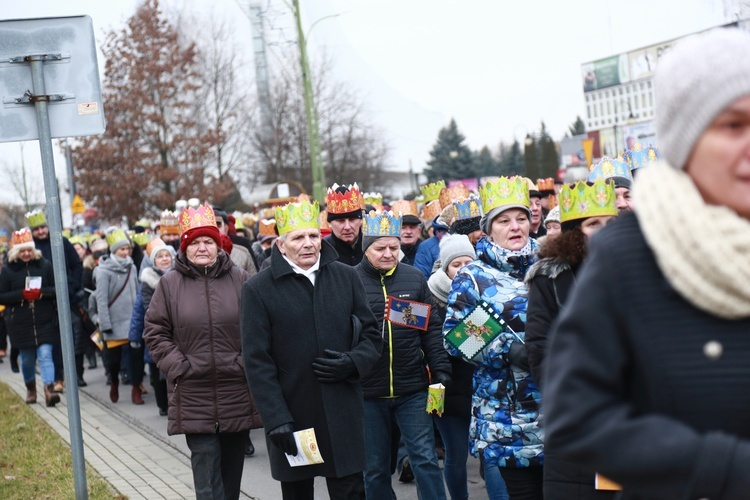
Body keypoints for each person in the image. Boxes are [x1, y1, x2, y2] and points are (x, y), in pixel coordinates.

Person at [544, 28, 750, 498]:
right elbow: (574, 417)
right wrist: (723, 468)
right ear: (686, 140)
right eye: (733, 125)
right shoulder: (629, 253)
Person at [241, 197, 382, 500]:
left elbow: (372, 336)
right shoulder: (258, 289)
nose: (308, 244)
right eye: (298, 237)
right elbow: (256, 361)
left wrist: (353, 362)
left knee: (351, 490)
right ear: (281, 245)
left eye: (313, 236)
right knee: (298, 493)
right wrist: (276, 417)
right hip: (295, 414)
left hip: (342, 408)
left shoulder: (346, 276)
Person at [145, 204, 261, 500]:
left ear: (218, 243)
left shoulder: (240, 280)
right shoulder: (169, 284)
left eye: (208, 241)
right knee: (207, 479)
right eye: (194, 242)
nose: (202, 248)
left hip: (235, 389)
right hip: (194, 393)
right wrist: (179, 366)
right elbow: (155, 331)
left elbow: (258, 327)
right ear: (184, 247)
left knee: (231, 477)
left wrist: (242, 361)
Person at [443, 176, 543, 500]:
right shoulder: (474, 277)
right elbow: (456, 337)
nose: (515, 227)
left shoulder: (550, 266)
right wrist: (507, 349)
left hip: (559, 410)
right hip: (506, 417)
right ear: (488, 228)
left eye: (521, 218)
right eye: (504, 220)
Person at [524, 180, 617, 498]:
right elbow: (540, 349)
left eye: (611, 222)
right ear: (576, 232)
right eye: (594, 224)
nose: (605, 230)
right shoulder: (551, 279)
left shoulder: (639, 270)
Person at [356, 209, 451, 500]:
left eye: (394, 247)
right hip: (368, 391)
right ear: (365, 249)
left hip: (412, 388)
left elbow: (430, 330)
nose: (388, 254)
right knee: (374, 468)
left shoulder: (414, 278)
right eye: (380, 248)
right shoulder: (349, 281)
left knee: (424, 458)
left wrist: (441, 370)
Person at [427, 234, 478, 500]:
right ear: (444, 267)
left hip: (477, 385)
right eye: (456, 264)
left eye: (468, 262)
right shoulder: (428, 294)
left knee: (486, 456)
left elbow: (481, 347)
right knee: (455, 454)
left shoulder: (484, 292)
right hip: (440, 387)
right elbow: (429, 344)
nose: (463, 269)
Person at [0, 229, 61, 407]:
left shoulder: (44, 266)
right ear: (16, 252)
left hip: (44, 320)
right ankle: (31, 388)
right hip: (20, 323)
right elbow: (2, 296)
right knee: (27, 360)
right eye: (22, 251)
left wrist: (40, 293)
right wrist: (22, 295)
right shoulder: (8, 271)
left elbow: (56, 290)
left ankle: (49, 390)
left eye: (29, 250)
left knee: (45, 355)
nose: (26, 254)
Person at [27, 209, 83, 393]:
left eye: (43, 227)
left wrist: (72, 285)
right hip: (45, 302)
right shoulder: (31, 249)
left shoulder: (61, 242)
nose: (41, 232)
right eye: (37, 229)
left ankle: (75, 374)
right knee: (54, 342)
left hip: (67, 298)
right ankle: (58, 377)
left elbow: (76, 264)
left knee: (74, 338)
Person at [128, 238, 174, 413]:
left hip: (178, 330)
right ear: (153, 261)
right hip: (157, 330)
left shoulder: (179, 276)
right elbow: (144, 310)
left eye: (167, 255)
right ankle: (163, 404)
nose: (164, 259)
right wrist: (134, 336)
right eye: (159, 256)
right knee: (158, 371)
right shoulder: (148, 282)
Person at [93, 228, 138, 403]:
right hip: (113, 322)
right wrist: (105, 324)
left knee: (135, 359)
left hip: (131, 321)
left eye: (128, 249)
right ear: (114, 250)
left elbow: (136, 291)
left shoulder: (132, 267)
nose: (126, 253)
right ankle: (114, 382)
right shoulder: (103, 271)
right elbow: (101, 300)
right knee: (113, 362)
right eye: (122, 249)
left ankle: (136, 388)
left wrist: (138, 319)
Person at [324, 182, 365, 266]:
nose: (347, 227)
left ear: (361, 221)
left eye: (352, 220)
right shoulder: (322, 249)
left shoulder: (373, 247)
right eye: (340, 221)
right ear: (330, 224)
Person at [390, 199, 422, 265]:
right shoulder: (387, 252)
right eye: (403, 227)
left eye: (412, 227)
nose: (408, 232)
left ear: (419, 231)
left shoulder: (427, 250)